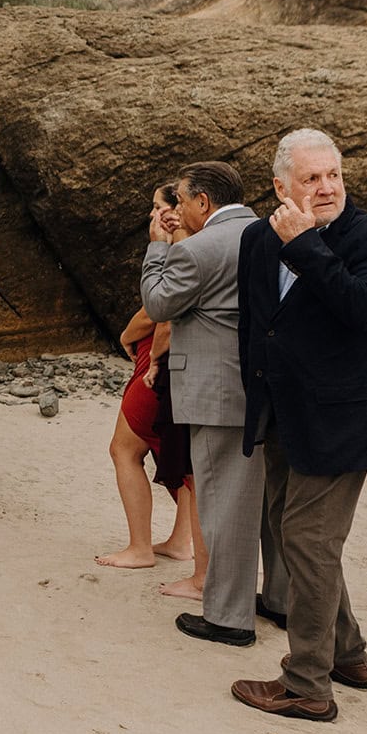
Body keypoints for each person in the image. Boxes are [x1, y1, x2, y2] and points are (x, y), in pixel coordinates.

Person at [230, 129, 367, 723]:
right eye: (311, 178)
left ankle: (307, 683)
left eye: (334, 174)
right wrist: (253, 400)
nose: (327, 187)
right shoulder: (256, 238)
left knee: (307, 539)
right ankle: (349, 656)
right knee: (294, 534)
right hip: (281, 413)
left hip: (342, 422)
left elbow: (364, 311)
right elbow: (256, 326)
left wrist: (306, 244)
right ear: (281, 186)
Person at [141, 160, 263, 647]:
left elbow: (158, 305)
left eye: (185, 201)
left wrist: (158, 248)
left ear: (203, 203)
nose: (180, 210)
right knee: (261, 506)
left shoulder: (200, 247)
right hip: (258, 388)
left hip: (216, 392)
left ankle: (229, 617)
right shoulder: (266, 233)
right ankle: (273, 598)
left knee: (221, 507)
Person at [96, 183, 197, 571]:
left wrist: (127, 337)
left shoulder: (178, 245)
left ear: (175, 210)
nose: (151, 215)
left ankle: (139, 547)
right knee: (181, 457)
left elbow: (159, 312)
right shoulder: (192, 240)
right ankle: (180, 541)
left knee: (124, 449)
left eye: (157, 207)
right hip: (169, 361)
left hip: (158, 364)